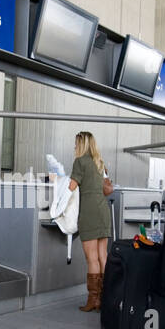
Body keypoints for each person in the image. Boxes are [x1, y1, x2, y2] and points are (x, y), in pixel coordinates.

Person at [68, 131, 113, 311]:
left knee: (91, 258)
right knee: (103, 256)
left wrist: (59, 179)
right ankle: (105, 298)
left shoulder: (80, 162)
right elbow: (108, 187)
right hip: (103, 210)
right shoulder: (100, 163)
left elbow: (72, 186)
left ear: (81, 144)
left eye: (76, 143)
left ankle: (93, 300)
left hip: (89, 212)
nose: (74, 147)